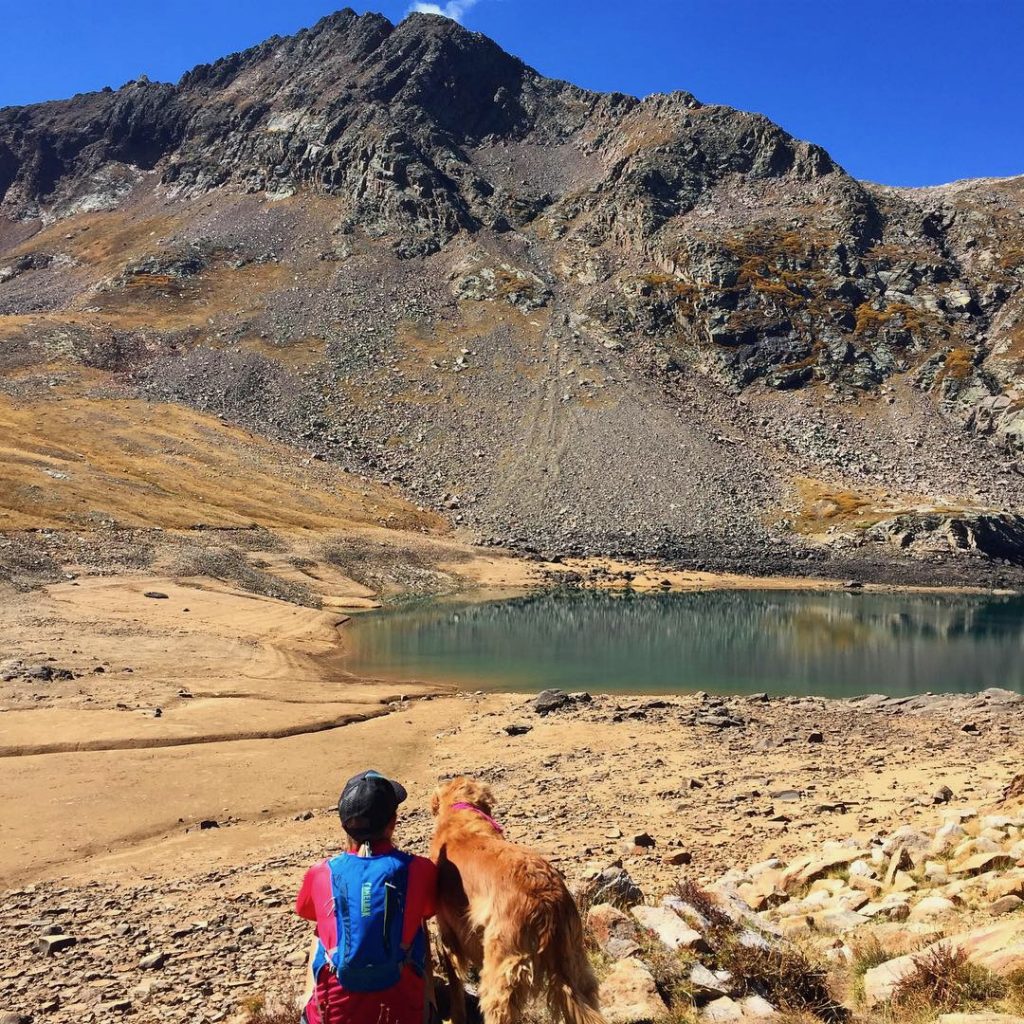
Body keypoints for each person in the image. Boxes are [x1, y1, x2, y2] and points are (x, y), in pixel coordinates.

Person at [295, 770, 438, 1024]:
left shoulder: (320, 873)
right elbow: (428, 909)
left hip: (331, 1017)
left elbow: (306, 911)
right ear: (392, 822)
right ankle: (428, 1004)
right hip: (405, 1016)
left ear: (345, 825)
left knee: (320, 928)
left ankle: (310, 1001)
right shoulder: (420, 869)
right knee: (418, 922)